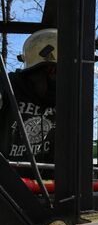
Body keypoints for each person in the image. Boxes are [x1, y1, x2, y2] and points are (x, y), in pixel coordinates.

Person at [0, 28, 57, 178]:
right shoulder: (6, 88)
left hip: (44, 192)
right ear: (52, 70)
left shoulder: (65, 103)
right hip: (7, 193)